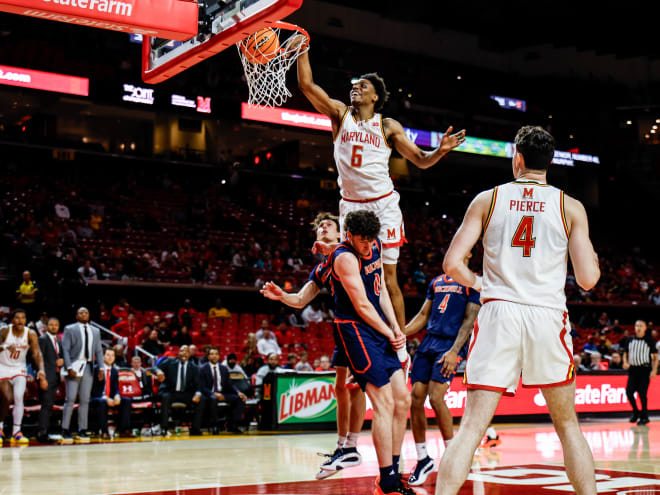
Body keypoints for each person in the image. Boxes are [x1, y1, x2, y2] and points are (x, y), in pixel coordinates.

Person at [434, 126, 600, 495]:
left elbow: (452, 264)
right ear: (550, 163)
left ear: (518, 158)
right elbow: (587, 280)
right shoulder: (569, 206)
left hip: (499, 314)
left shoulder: (487, 200)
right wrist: (597, 265)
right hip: (546, 315)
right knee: (568, 425)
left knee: (472, 428)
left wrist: (481, 284)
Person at [296, 44, 466, 330]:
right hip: (350, 205)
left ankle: (400, 349)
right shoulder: (340, 114)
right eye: (354, 85)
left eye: (363, 86)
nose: (356, 89)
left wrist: (440, 151)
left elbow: (421, 160)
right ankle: (365, 337)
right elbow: (306, 85)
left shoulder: (388, 126)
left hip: (382, 204)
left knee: (388, 279)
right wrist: (303, 49)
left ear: (375, 97)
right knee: (354, 277)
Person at [261, 212, 366, 479]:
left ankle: (353, 446)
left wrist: (333, 247)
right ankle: (342, 447)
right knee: (340, 387)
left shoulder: (353, 251)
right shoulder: (321, 268)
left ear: (343, 233)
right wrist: (282, 296)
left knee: (357, 388)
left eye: (328, 224)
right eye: (319, 226)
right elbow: (299, 300)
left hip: (363, 325)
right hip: (343, 328)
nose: (322, 227)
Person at [324, 210, 412, 495]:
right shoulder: (344, 257)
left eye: (370, 240)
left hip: (378, 328)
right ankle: (385, 480)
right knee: (383, 402)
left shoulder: (375, 244)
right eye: (362, 241)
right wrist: (390, 333)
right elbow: (362, 306)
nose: (367, 246)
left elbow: (382, 290)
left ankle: (393, 474)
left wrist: (395, 327)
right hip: (356, 331)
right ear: (348, 235)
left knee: (403, 400)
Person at [403, 256, 481, 486]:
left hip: (449, 345)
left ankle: (452, 454)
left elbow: (469, 321)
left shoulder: (473, 283)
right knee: (415, 398)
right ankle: (423, 458)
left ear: (467, 255)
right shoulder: (436, 281)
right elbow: (423, 316)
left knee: (436, 398)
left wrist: (455, 351)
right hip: (428, 342)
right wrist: (401, 333)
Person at [0, 309, 47, 444]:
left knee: (19, 397)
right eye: (17, 318)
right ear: (12, 320)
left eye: (23, 318)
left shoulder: (30, 333)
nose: (20, 320)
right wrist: (5, 348)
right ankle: (0, 428)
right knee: (7, 397)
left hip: (19, 367)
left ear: (26, 320)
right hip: (3, 367)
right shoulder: (4, 331)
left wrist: (41, 370)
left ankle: (16, 431)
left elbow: (37, 354)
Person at [155, 345, 205, 436]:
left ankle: (195, 428)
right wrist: (158, 371)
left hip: (185, 393)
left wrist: (197, 393)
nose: (184, 353)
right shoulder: (170, 361)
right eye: (182, 351)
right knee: (165, 397)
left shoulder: (194, 367)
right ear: (178, 353)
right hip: (170, 391)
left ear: (190, 354)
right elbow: (155, 367)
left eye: (186, 351)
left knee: (202, 399)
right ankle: (164, 428)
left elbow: (198, 384)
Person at [200, 346, 247, 434]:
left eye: (216, 354)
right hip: (209, 394)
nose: (214, 356)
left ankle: (233, 425)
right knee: (213, 399)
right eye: (212, 354)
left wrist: (238, 392)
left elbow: (230, 384)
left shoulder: (223, 368)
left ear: (219, 356)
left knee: (240, 399)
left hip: (223, 393)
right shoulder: (202, 368)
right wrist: (214, 394)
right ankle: (215, 425)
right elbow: (202, 387)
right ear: (208, 356)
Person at [623, 320, 658, 425]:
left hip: (644, 369)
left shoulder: (649, 340)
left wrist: (654, 370)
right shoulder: (629, 339)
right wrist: (625, 362)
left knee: (642, 394)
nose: (638, 328)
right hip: (633, 369)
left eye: (641, 326)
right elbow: (625, 353)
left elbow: (655, 357)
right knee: (629, 392)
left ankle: (645, 416)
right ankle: (636, 412)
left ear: (645, 328)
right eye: (637, 325)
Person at [37, 317, 64, 443]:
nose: (54, 327)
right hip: (46, 377)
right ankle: (42, 433)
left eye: (56, 325)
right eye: (51, 325)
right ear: (46, 326)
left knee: (49, 406)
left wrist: (62, 361)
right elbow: (37, 359)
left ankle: (46, 431)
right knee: (46, 405)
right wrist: (42, 378)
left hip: (55, 377)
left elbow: (59, 357)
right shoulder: (42, 339)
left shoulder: (58, 340)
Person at [118, 355, 155, 437]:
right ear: (131, 363)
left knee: (152, 401)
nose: (136, 364)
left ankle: (149, 426)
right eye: (134, 362)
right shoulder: (126, 373)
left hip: (144, 395)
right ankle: (127, 428)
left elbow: (153, 376)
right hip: (130, 395)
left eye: (138, 362)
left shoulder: (146, 372)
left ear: (141, 363)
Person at [89, 348, 121, 440]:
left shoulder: (115, 371)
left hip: (109, 398)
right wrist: (105, 398)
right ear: (102, 357)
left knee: (126, 400)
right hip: (96, 398)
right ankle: (104, 431)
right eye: (108, 355)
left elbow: (116, 387)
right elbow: (92, 390)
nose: (110, 357)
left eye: (112, 355)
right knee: (102, 402)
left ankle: (123, 429)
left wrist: (117, 395)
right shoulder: (96, 369)